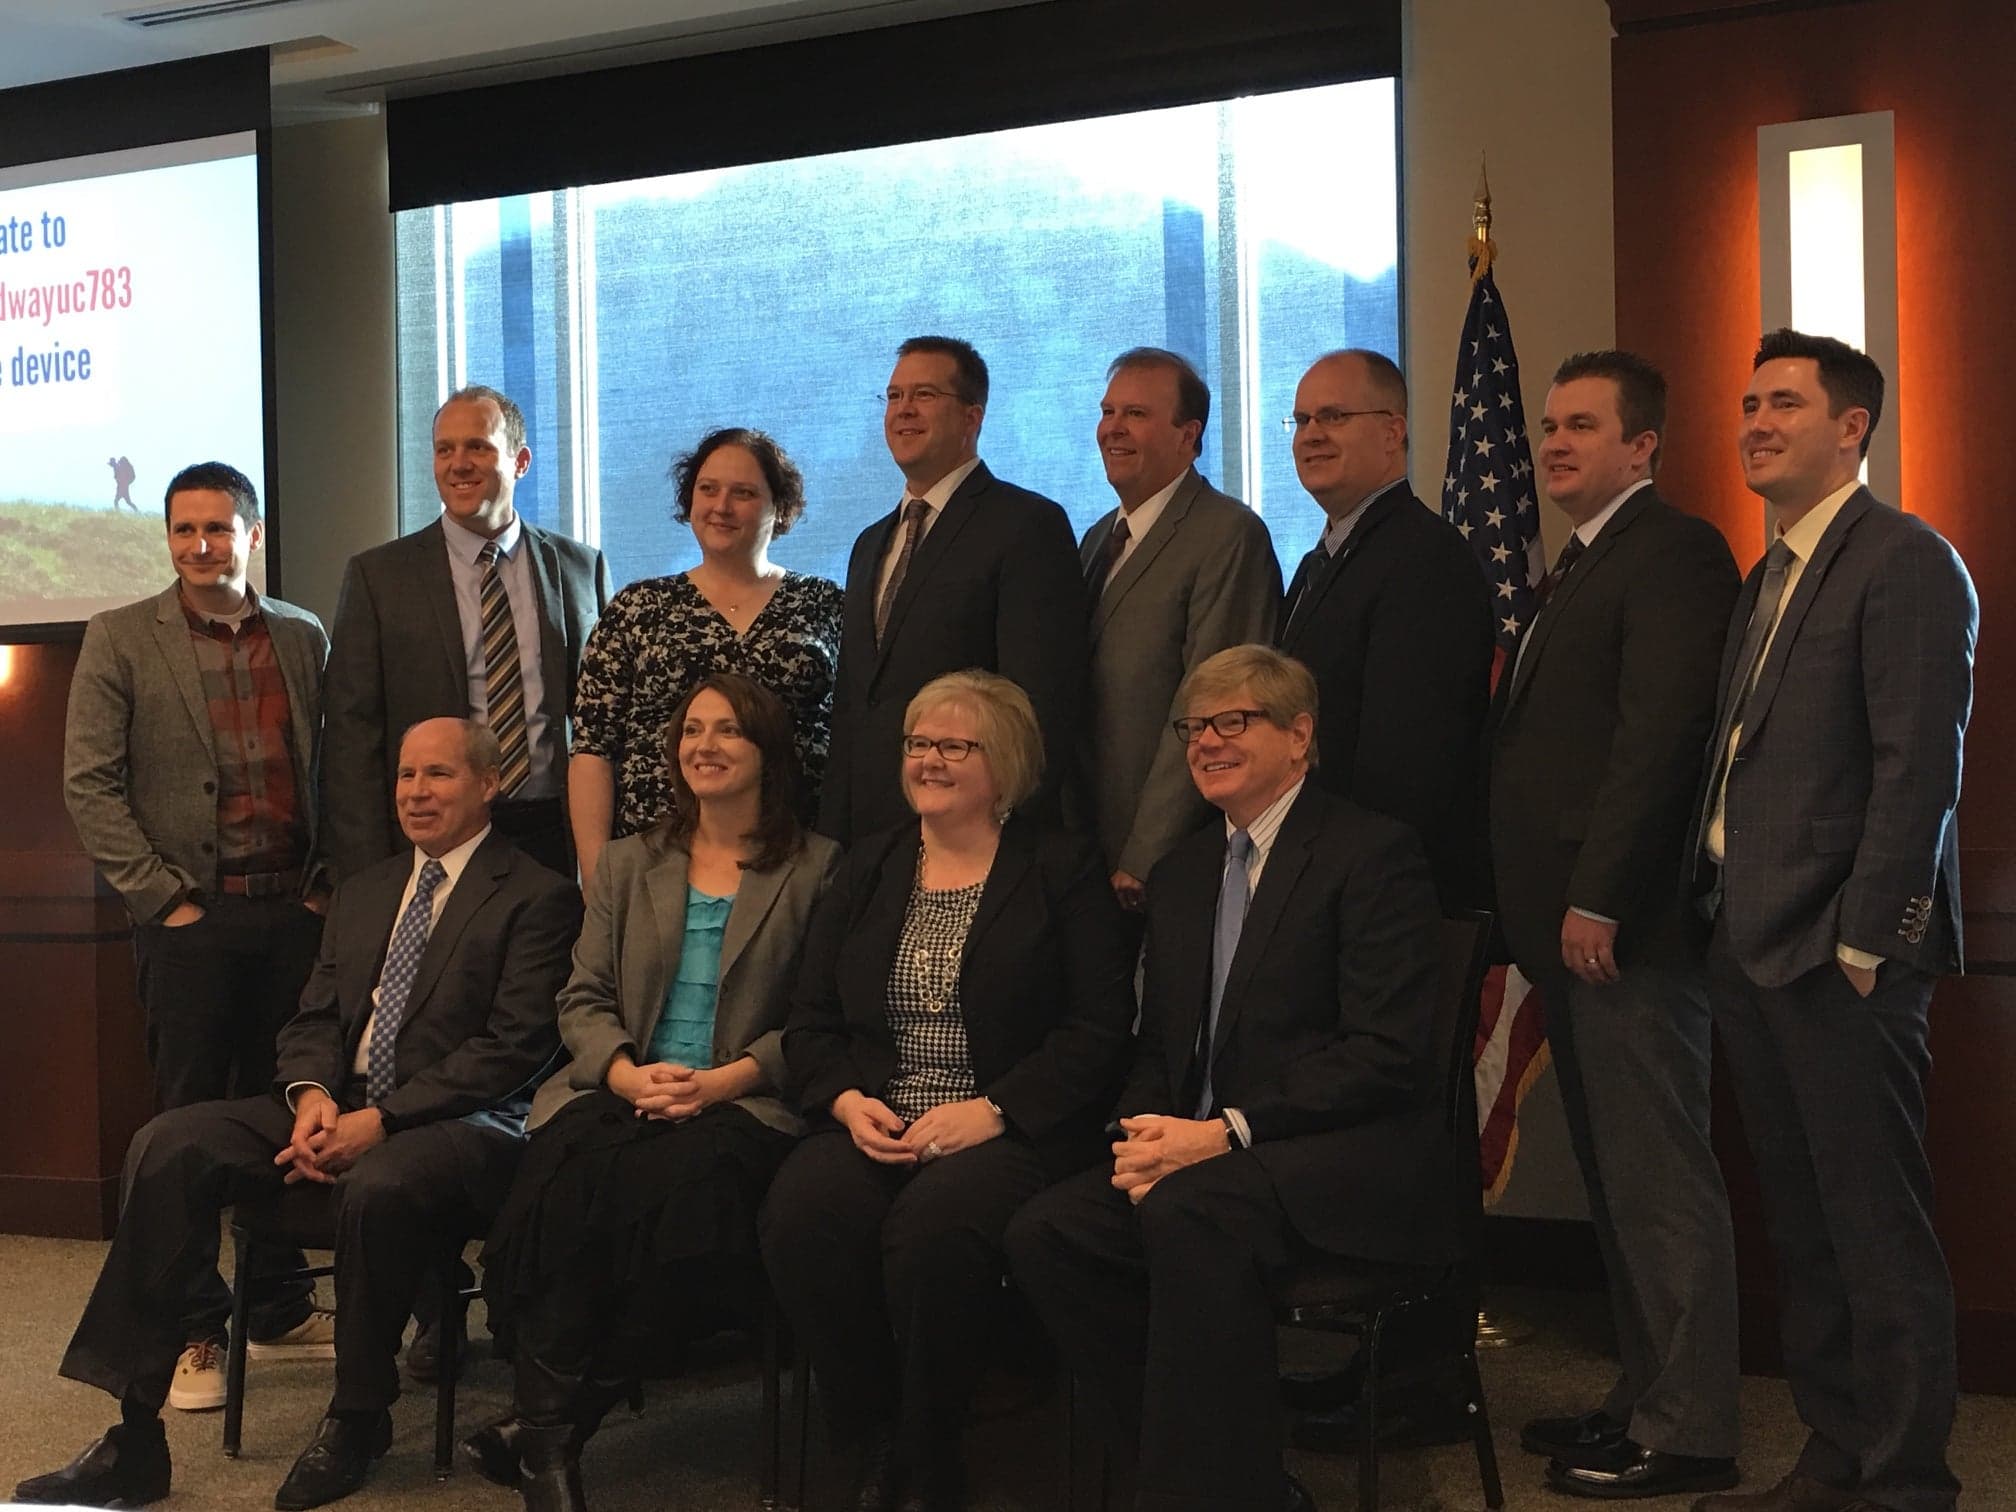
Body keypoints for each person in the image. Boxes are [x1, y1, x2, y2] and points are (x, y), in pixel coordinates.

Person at [15, 718, 580, 1512]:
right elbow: (312, 1018)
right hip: (335, 1105)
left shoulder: (538, 895)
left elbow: (512, 1049)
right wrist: (313, 1099)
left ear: (489, 784)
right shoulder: (368, 890)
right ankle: (135, 1437)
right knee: (169, 1141)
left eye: (440, 775)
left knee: (380, 1184)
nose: (416, 792)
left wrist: (379, 1119)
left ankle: (358, 1417)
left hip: (464, 1123)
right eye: (406, 775)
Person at [1006, 644, 1449, 1512]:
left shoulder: (1370, 855)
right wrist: (1138, 1135)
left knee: (1189, 1213)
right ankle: (1217, 1474)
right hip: (1202, 1155)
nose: (1206, 741)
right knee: (1047, 1232)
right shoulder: (1180, 876)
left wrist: (1228, 1131)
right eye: (1194, 726)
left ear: (1299, 736)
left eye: (1232, 721)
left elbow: (1385, 1053)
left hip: (1336, 1155)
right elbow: (1163, 1052)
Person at [1687, 331, 1976, 1512]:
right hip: (1748, 947)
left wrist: (1866, 942)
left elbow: (1920, 768)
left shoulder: (1905, 560)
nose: (1756, 421)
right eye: (1750, 403)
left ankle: (1905, 1480)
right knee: (1803, 1231)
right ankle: (1834, 1454)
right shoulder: (1770, 574)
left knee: (1873, 1230)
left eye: (1786, 405)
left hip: (1839, 958)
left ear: (1852, 428)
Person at [464, 674, 840, 1512]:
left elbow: (823, 1019)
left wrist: (722, 1081)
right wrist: (629, 1070)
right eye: (691, 730)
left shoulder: (819, 869)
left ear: (768, 752)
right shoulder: (632, 863)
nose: (703, 745)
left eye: (728, 731)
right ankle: (552, 1446)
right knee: (560, 1182)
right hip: (624, 1082)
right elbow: (582, 997)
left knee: (682, 1203)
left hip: (743, 1097)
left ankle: (550, 1431)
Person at [762, 670, 1135, 1512]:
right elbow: (810, 1019)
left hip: (1006, 1125)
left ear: (1002, 763)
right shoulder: (868, 866)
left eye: (952, 746)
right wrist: (846, 1103)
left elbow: (1098, 1030)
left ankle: (932, 1455)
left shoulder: (1061, 868)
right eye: (917, 744)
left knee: (932, 1236)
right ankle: (872, 1435)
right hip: (877, 1113)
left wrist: (995, 1111)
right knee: (802, 1216)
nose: (927, 760)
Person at [1488, 352, 1743, 1500]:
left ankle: (1690, 1430)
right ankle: (1644, 1399)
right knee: (1615, 1183)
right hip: (1570, 934)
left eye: (1582, 425)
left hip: (1624, 934)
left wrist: (1598, 894)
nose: (1554, 444)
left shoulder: (1675, 552)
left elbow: (1660, 741)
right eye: (1547, 425)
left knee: (1658, 1183)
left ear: (1644, 446)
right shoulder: (1581, 566)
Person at [63, 460, 336, 1407]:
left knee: (281, 1105)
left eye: (218, 528)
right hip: (188, 924)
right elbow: (89, 786)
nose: (199, 545)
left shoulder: (302, 635)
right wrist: (162, 900)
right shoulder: (120, 637)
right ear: (167, 537)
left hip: (291, 918)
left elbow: (333, 770)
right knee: (182, 1124)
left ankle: (274, 1305)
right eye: (184, 530)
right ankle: (192, 1329)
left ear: (251, 535)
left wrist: (321, 890)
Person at [324, 384, 613, 882]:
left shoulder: (580, 567)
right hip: (435, 840)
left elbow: (604, 717)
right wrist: (368, 873)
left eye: (478, 446)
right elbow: (352, 739)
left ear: (520, 461)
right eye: (444, 449)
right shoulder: (379, 577)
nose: (458, 463)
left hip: (552, 834)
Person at [817, 337, 1088, 845]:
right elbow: (856, 707)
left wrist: (1012, 832)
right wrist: (833, 840)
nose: (903, 411)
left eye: (923, 395)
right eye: (894, 397)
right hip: (871, 842)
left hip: (975, 834)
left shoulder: (1027, 525)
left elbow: (1039, 703)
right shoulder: (869, 543)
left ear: (972, 417)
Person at [568, 426, 842, 884]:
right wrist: (597, 877)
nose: (721, 506)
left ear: (780, 507)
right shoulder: (638, 608)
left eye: (744, 493)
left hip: (794, 866)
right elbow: (593, 750)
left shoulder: (826, 605)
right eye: (708, 489)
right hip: (654, 865)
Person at [1275, 349, 1493, 909]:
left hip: (1380, 887)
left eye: (1334, 417)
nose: (1311, 435)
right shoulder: (1314, 563)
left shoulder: (1426, 557)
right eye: (1301, 421)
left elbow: (1408, 759)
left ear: (1393, 431)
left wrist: (1346, 876)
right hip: (1316, 870)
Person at [1080, 347, 1281, 921]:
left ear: (1189, 436)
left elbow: (1213, 706)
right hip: (1089, 848)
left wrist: (1147, 853)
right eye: (1108, 410)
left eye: (1136, 414)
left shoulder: (1227, 535)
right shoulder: (1098, 539)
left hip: (1168, 861)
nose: (1113, 428)